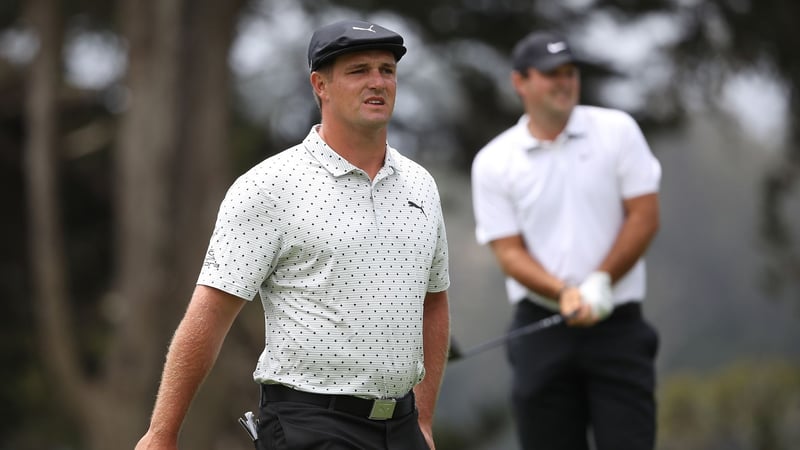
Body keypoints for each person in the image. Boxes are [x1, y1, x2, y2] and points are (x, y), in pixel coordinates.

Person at [135, 19, 450, 450]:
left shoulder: (421, 186)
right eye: (359, 71)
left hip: (401, 427)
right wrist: (162, 433)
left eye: (386, 70)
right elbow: (208, 316)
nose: (377, 82)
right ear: (320, 85)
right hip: (312, 426)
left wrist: (425, 420)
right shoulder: (270, 186)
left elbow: (433, 302)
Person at [470, 30, 662, 450]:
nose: (565, 81)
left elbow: (644, 217)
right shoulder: (494, 161)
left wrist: (601, 279)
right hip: (541, 331)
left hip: (619, 330)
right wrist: (563, 292)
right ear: (520, 82)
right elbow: (508, 251)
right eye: (551, 73)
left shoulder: (617, 130)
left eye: (570, 71)